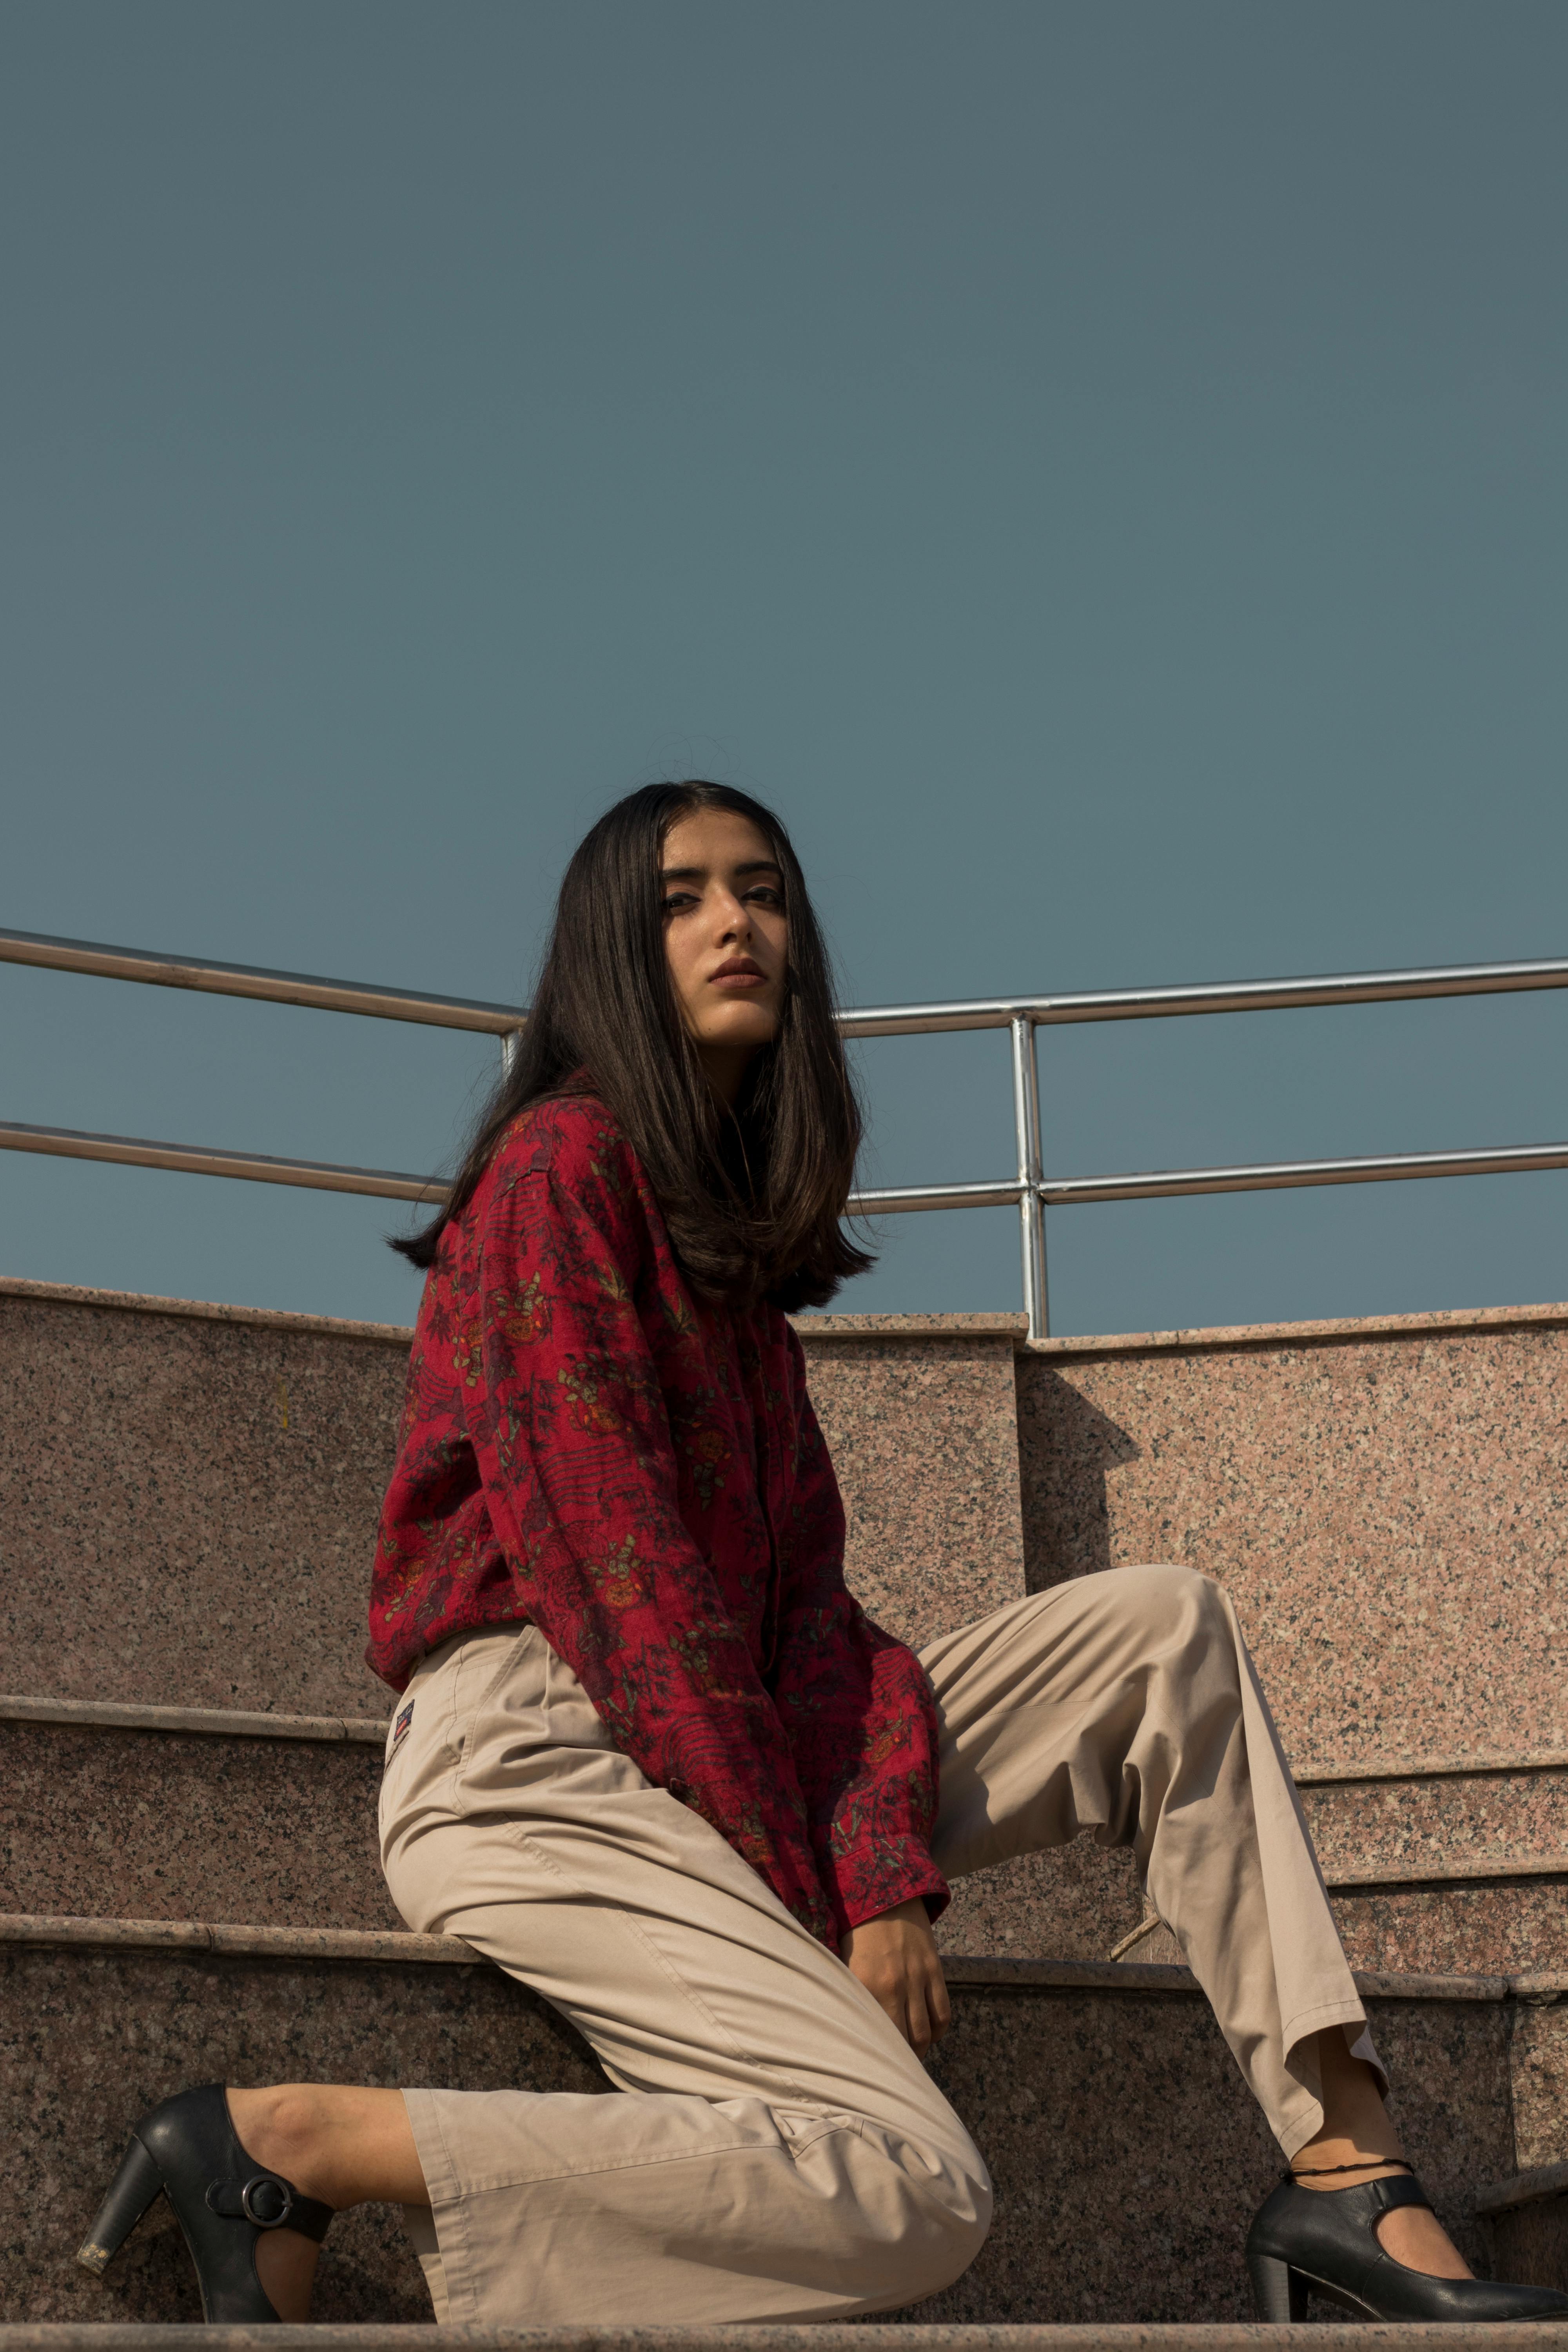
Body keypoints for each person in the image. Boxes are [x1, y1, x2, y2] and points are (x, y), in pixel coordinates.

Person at [80, 783, 1567, 2328]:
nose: (736, 923)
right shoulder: (556, 1174)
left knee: (1160, 1631)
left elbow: (818, 1634)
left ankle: (1347, 2174)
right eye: (681, 898)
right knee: (909, 2185)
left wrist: (879, 1870)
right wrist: (843, 1894)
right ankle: (293, 2147)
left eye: (764, 891)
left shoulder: (734, 1279)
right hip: (541, 1756)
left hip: (724, 1751)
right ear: (610, 953)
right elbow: (623, 1582)